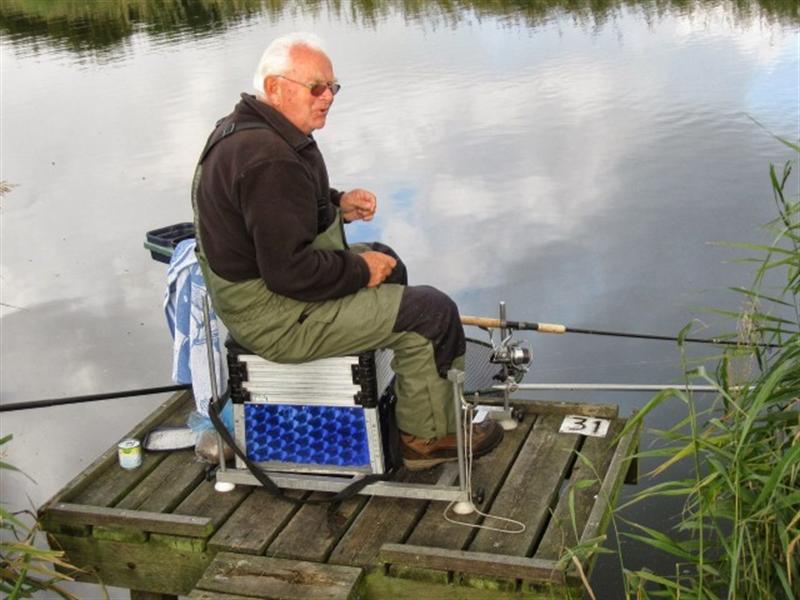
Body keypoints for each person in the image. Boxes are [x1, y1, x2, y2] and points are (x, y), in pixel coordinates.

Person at [191, 32, 503, 470]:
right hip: (275, 316)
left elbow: (273, 214)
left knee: (387, 260)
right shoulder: (267, 157)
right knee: (431, 313)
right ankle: (426, 439)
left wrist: (337, 204)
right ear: (276, 87)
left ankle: (408, 400)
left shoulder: (247, 129)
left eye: (332, 87)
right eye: (316, 87)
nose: (328, 98)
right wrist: (358, 271)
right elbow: (290, 272)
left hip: (263, 294)